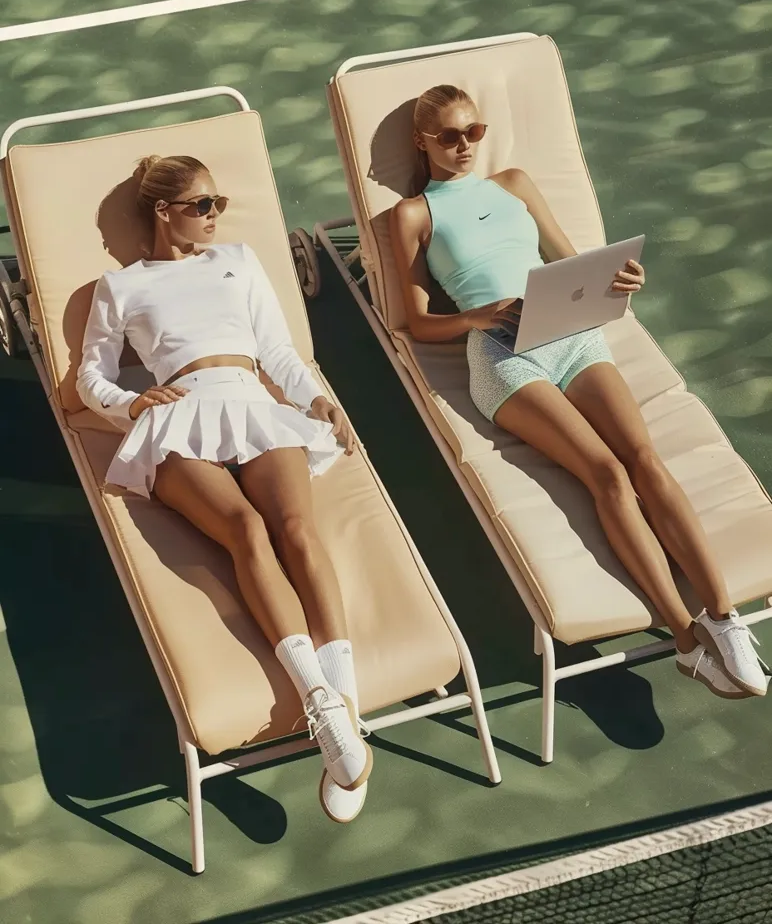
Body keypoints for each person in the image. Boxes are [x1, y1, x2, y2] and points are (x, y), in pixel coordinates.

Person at [390, 85, 769, 702]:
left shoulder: (513, 183)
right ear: (422, 141)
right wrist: (477, 315)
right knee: (607, 475)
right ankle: (685, 639)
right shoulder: (413, 215)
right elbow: (414, 322)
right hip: (503, 356)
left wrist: (620, 278)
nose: (465, 146)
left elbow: (570, 262)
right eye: (450, 136)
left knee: (645, 460)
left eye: (474, 132)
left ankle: (725, 621)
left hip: (572, 335)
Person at [78, 154, 371, 824]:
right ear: (164, 211)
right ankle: (322, 704)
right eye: (202, 205)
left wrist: (318, 401)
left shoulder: (238, 260)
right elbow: (91, 377)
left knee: (297, 530)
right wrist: (131, 403)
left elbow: (279, 351)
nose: (216, 215)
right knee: (246, 530)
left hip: (250, 401)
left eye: (219, 203)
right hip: (179, 414)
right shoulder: (120, 286)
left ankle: (342, 713)